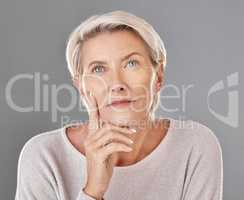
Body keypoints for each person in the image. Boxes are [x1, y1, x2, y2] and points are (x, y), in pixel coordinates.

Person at [15, 10, 223, 200]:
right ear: (81, 86)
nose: (117, 84)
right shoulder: (43, 156)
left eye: (131, 63)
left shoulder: (195, 146)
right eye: (98, 69)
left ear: (158, 76)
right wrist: (93, 190)